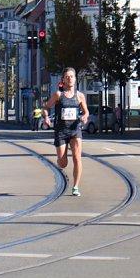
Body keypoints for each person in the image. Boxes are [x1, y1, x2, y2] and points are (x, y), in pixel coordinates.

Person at [42, 67, 90, 196]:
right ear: (63, 79)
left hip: (75, 130)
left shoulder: (80, 96)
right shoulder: (58, 95)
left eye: (72, 76)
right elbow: (46, 108)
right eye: (67, 77)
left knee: (77, 157)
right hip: (61, 131)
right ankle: (61, 158)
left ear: (75, 79)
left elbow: (86, 111)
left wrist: (85, 116)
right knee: (63, 163)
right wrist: (46, 117)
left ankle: (75, 187)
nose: (69, 79)